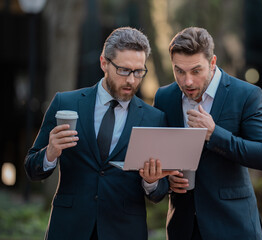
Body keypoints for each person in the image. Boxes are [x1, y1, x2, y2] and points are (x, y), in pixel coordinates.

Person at [25, 27, 177, 240]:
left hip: (125, 231)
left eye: (139, 71)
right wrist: (50, 153)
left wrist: (151, 181)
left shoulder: (155, 119)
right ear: (104, 63)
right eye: (124, 70)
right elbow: (32, 169)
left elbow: (159, 193)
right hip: (69, 228)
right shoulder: (65, 103)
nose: (132, 80)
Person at [154, 27, 262, 240]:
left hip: (234, 227)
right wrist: (166, 180)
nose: (187, 81)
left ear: (212, 63)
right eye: (179, 71)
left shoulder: (246, 95)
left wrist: (214, 133)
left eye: (195, 71)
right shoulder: (164, 97)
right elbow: (157, 155)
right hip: (183, 229)